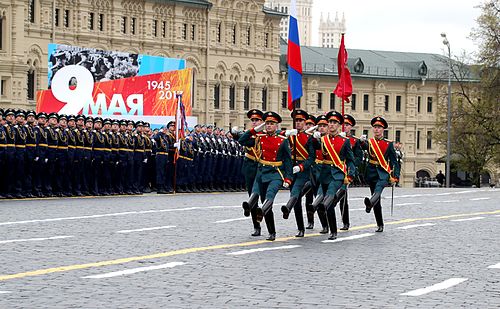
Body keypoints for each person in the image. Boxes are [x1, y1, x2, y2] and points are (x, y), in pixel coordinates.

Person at [240, 111, 292, 241]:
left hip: (275, 173)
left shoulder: (283, 140)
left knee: (268, 198)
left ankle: (271, 231)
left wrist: (288, 178)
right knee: (254, 193)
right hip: (261, 171)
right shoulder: (260, 137)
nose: (268, 126)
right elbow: (242, 140)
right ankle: (251, 209)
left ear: (276, 125)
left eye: (271, 123)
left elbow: (288, 162)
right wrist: (254, 130)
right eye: (267, 123)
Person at [311, 111, 356, 240]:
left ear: (339, 125)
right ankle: (333, 230)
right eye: (330, 122)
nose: (331, 125)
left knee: (330, 195)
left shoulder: (345, 141)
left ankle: (333, 231)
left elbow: (351, 160)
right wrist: (313, 137)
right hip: (324, 174)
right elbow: (312, 148)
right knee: (329, 204)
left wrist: (350, 175)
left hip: (337, 174)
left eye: (334, 122)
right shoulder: (322, 139)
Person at [362, 116, 401, 232]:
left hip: (383, 173)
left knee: (378, 190)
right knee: (376, 200)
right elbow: (362, 147)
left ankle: (370, 203)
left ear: (383, 129)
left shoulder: (388, 144)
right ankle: (380, 224)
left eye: (379, 127)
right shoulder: (369, 142)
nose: (376, 130)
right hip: (371, 172)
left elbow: (395, 162)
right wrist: (361, 142)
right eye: (375, 127)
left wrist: (396, 176)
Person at [281, 109, 316, 237]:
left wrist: (301, 167)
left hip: (304, 171)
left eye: (301, 120)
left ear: (305, 122)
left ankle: (288, 208)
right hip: (292, 170)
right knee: (296, 199)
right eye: (296, 120)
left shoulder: (309, 138)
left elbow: (312, 158)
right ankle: (300, 228)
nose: (298, 123)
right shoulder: (290, 136)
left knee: (296, 193)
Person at [234, 109, 264, 236]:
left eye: (257, 120)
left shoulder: (267, 135)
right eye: (252, 120)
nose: (254, 122)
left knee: (265, 198)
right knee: (252, 197)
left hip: (263, 167)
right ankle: (256, 227)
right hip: (250, 168)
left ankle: (266, 219)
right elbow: (240, 140)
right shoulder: (249, 135)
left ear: (262, 122)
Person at [338, 114, 364, 231]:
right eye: (343, 124)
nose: (345, 127)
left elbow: (359, 157)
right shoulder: (334, 138)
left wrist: (351, 165)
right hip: (335, 168)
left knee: (343, 197)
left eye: (347, 125)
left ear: (351, 127)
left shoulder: (354, 141)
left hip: (346, 170)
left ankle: (345, 222)